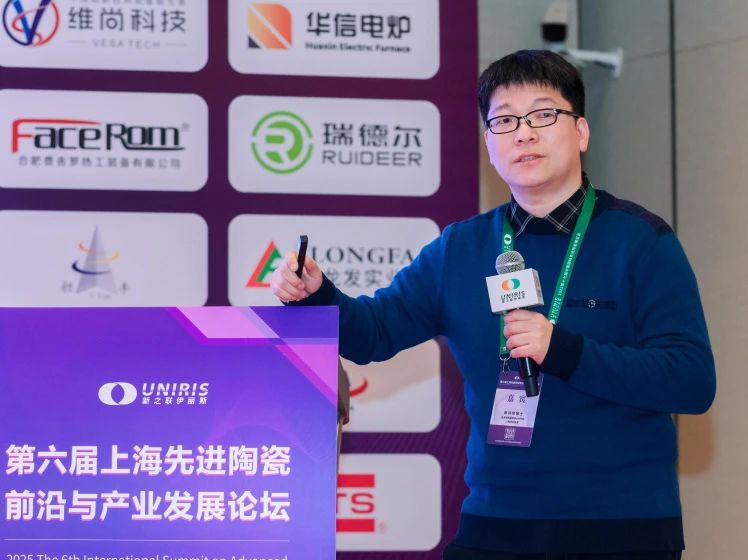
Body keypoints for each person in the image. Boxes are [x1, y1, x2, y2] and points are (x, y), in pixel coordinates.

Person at [270, 50, 715, 560]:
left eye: (543, 114)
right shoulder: (460, 249)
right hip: (496, 524)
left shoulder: (641, 241)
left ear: (581, 132)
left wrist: (564, 350)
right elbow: (374, 332)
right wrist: (318, 294)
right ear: (489, 143)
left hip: (621, 527)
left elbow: (691, 380)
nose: (523, 134)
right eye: (504, 121)